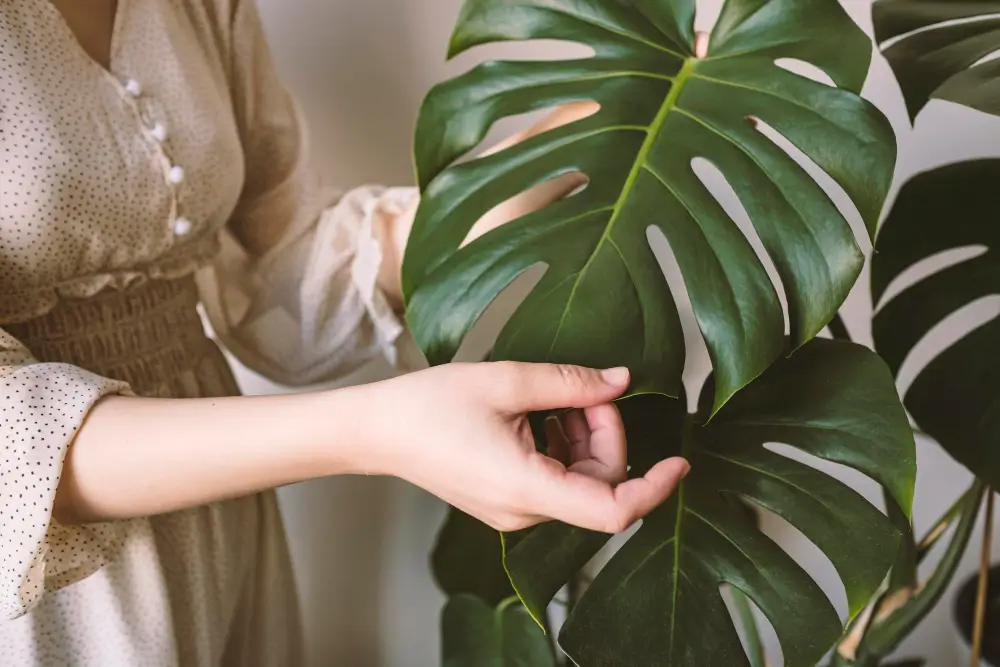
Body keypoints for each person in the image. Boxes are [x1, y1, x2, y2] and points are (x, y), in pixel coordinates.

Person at [0, 1, 690, 665]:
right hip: (46, 580)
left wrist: (597, 128)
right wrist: (378, 431)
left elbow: (284, 275)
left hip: (221, 524)